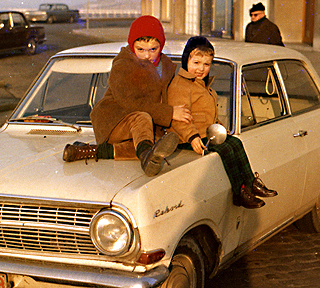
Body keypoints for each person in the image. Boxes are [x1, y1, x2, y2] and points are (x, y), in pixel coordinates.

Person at [63, 15, 192, 177]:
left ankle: (91, 151)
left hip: (141, 130)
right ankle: (146, 156)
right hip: (114, 121)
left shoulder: (165, 66)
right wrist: (169, 113)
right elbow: (130, 103)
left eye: (153, 49)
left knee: (158, 142)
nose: (147, 55)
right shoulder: (123, 65)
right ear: (132, 46)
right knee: (142, 118)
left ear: (161, 46)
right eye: (141, 49)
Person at [167, 36, 278, 209]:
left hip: (207, 134)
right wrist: (192, 137)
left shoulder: (202, 85)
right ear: (186, 60)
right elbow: (180, 118)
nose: (201, 69)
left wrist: (220, 127)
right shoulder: (180, 85)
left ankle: (251, 183)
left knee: (235, 142)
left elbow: (207, 114)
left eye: (206, 64)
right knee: (226, 148)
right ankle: (239, 192)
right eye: (196, 63)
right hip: (188, 139)